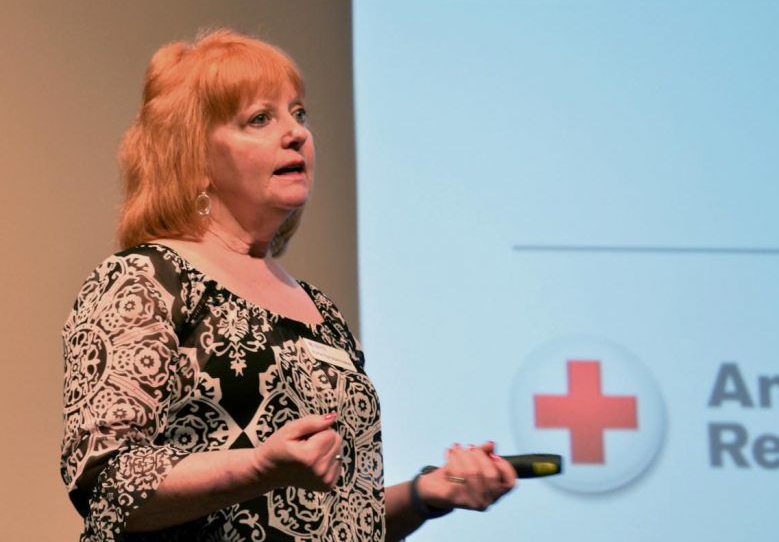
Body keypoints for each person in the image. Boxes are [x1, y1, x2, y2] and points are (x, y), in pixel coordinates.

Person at [61, 29, 516, 542]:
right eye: (260, 118)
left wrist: (426, 495)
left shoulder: (321, 311)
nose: (295, 133)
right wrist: (258, 467)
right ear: (195, 158)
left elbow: (337, 521)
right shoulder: (145, 280)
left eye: (298, 114)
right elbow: (104, 482)